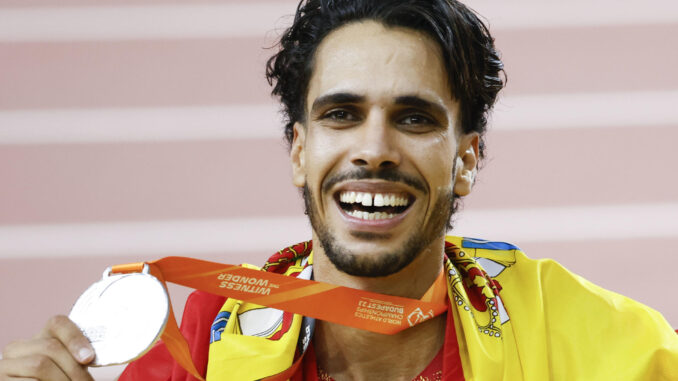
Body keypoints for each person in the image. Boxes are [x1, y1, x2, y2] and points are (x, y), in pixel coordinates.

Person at [1, 0, 677, 380]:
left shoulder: (598, 346)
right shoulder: (209, 340)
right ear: (301, 151)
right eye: (341, 114)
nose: (375, 149)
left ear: (466, 159)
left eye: (414, 118)